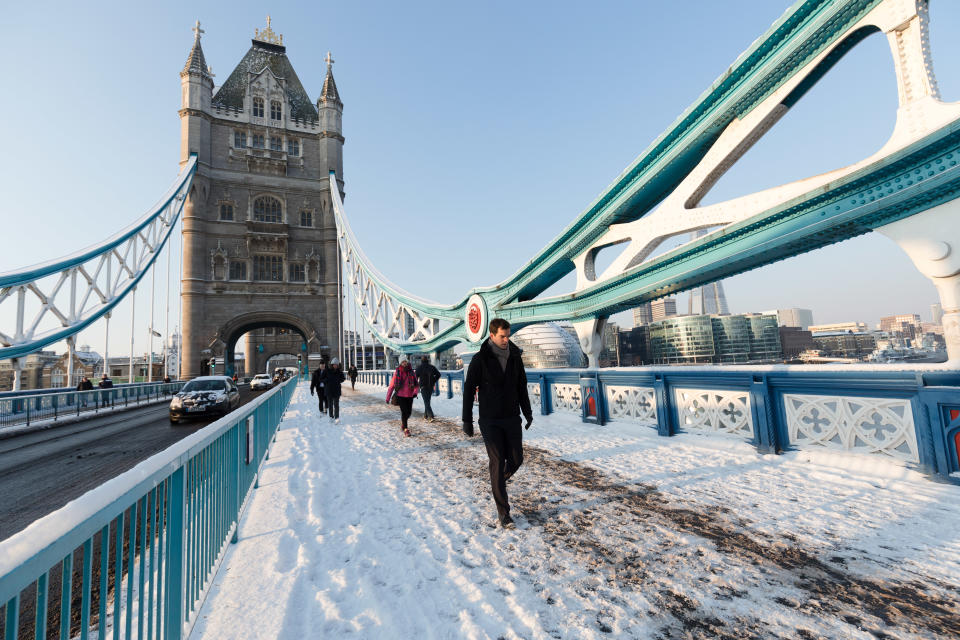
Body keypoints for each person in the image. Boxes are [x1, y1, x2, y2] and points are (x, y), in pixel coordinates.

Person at [462, 318, 533, 530]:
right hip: (490, 420)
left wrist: (527, 413)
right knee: (497, 459)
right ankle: (504, 513)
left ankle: (497, 481)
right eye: (502, 336)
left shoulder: (515, 357)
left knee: (516, 459)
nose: (506, 339)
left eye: (508, 335)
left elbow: (522, 387)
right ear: (492, 335)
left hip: (511, 417)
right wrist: (467, 420)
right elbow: (468, 390)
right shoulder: (480, 359)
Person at [386, 357, 419, 437]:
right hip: (401, 396)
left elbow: (416, 384)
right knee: (404, 412)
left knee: (409, 412)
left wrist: (415, 392)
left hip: (410, 395)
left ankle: (403, 424)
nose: (404, 363)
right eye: (403, 362)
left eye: (405, 362)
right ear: (400, 363)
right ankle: (406, 429)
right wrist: (388, 397)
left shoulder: (411, 372)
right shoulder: (397, 372)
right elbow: (391, 386)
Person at [415, 356, 441, 421]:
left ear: (421, 361)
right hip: (430, 387)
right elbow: (438, 374)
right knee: (427, 401)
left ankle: (431, 416)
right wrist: (433, 380)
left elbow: (415, 376)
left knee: (426, 402)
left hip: (423, 387)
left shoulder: (419, 368)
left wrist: (417, 384)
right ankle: (425, 415)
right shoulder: (432, 367)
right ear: (427, 360)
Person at [325, 358, 346, 423]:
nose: (335, 366)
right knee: (330, 404)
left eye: (336, 365)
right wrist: (327, 381)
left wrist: (338, 380)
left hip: (337, 390)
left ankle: (337, 417)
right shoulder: (327, 371)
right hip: (329, 390)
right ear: (332, 365)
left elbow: (343, 378)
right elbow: (322, 378)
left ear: (338, 365)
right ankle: (331, 417)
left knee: (336, 405)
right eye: (334, 365)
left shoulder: (340, 372)